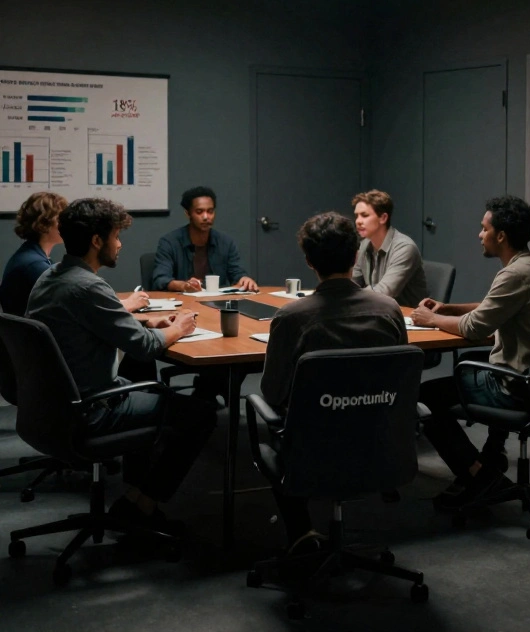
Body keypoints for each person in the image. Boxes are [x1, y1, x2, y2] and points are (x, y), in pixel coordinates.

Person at [27, 198, 215, 530]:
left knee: (140, 375)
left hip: (50, 408)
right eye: (116, 236)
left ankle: (135, 494)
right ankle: (142, 502)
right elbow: (144, 349)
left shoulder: (51, 277)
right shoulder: (88, 286)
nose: (120, 244)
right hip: (92, 409)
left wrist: (149, 324)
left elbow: (94, 327)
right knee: (200, 414)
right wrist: (178, 327)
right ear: (97, 241)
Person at [258, 211, 408, 551]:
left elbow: (271, 391)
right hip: (380, 443)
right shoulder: (389, 310)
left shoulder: (292, 318)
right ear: (355, 256)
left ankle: (301, 534)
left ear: (309, 261)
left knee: (275, 422)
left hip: (315, 449)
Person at [416, 195, 530, 509]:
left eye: (483, 228)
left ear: (500, 236)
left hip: (513, 387)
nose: (479, 234)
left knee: (425, 396)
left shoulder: (514, 274)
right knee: (479, 362)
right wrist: (449, 308)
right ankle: (491, 458)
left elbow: (474, 327)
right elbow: (491, 309)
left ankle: (476, 473)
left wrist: (431, 319)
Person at [151, 186, 257, 292]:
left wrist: (244, 279)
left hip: (218, 303)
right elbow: (161, 279)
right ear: (188, 214)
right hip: (183, 303)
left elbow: (237, 273)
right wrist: (184, 286)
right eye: (199, 212)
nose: (206, 217)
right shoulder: (170, 242)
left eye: (210, 211)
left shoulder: (225, 243)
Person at [351, 189, 429, 308]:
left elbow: (384, 293)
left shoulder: (404, 248)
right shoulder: (364, 245)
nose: (358, 221)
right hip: (378, 311)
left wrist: (349, 296)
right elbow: (352, 283)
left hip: (408, 319)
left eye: (364, 215)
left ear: (383, 218)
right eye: (356, 216)